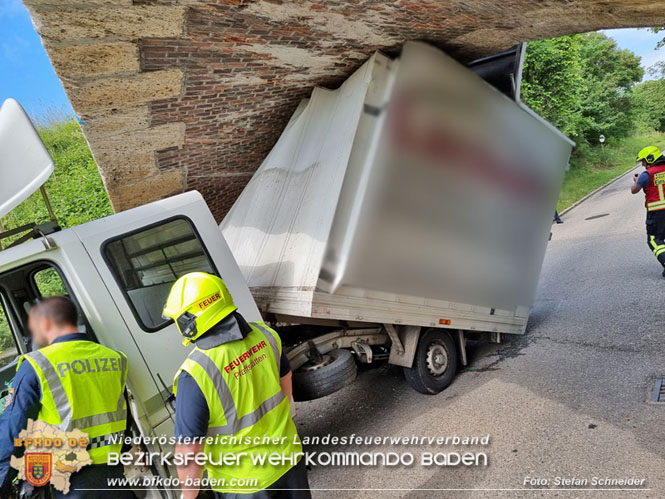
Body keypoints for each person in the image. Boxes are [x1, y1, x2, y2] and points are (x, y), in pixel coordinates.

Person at [163, 272, 310, 499]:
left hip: (244, 485)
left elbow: (190, 449)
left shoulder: (195, 374)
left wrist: (188, 496)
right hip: (289, 460)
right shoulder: (266, 334)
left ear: (189, 321)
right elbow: (286, 382)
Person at [0, 296, 133, 498]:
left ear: (44, 323)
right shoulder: (114, 357)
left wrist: (2, 480)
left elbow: (13, 430)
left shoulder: (38, 364)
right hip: (114, 475)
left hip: (68, 480)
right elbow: (124, 413)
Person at [631, 146, 665, 277]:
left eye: (644, 161)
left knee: (654, 241)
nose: (642, 164)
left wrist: (637, 181)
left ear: (650, 159)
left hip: (656, 213)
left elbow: (634, 190)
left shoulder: (647, 174)